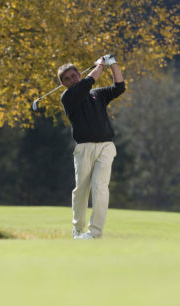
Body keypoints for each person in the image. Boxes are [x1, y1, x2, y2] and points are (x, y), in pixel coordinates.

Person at [58, 55, 125, 239]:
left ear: (79, 74)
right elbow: (88, 82)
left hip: (106, 146)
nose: (72, 79)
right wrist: (99, 65)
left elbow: (119, 87)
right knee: (81, 191)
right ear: (63, 84)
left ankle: (94, 233)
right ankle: (78, 230)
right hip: (84, 149)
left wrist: (112, 64)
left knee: (100, 187)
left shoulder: (98, 94)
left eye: (74, 75)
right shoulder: (68, 97)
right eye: (67, 78)